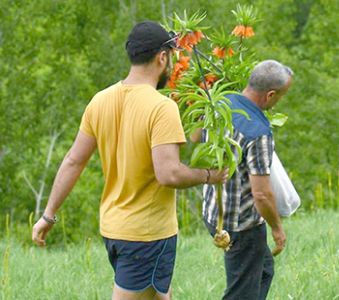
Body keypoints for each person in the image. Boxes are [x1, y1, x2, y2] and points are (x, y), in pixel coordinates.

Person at [31, 21, 227, 300]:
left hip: (114, 227)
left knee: (160, 295)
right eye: (170, 57)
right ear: (162, 57)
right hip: (145, 234)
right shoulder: (161, 107)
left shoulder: (100, 100)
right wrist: (210, 175)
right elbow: (169, 173)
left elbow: (74, 161)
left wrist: (48, 215)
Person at [201, 60, 293, 300]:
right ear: (270, 94)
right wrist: (276, 227)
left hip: (213, 211)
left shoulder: (221, 102)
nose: (278, 102)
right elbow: (261, 194)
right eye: (280, 97)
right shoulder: (258, 131)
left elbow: (195, 136)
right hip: (240, 225)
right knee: (241, 293)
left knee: (263, 271)